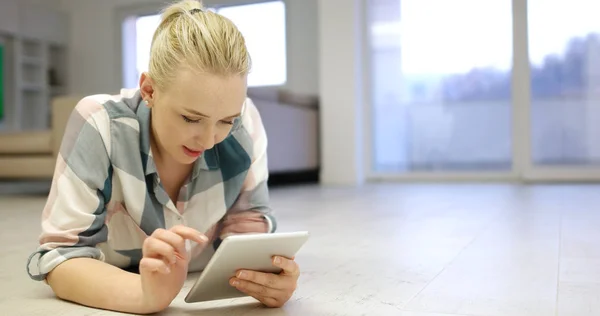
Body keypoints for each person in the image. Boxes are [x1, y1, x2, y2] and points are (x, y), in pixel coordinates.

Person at [25, 0, 300, 314]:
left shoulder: (245, 121)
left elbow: (249, 228)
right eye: (190, 118)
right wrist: (143, 295)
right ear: (149, 90)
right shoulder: (99, 123)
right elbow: (62, 257)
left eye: (226, 121)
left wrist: (267, 277)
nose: (210, 140)